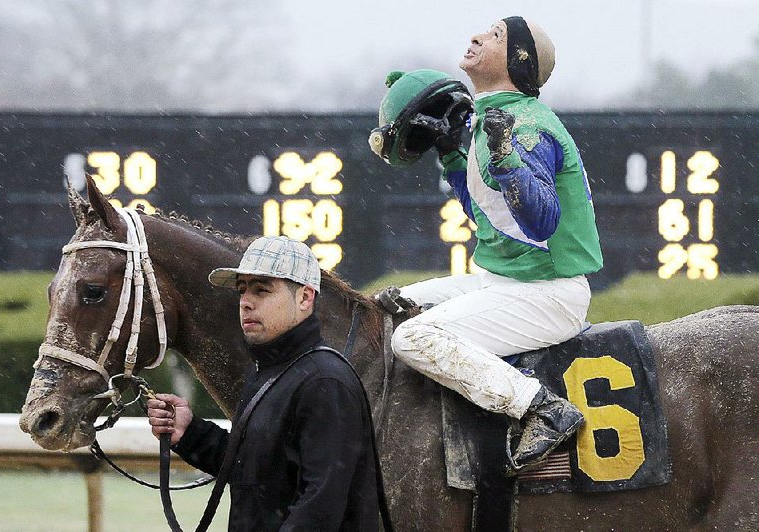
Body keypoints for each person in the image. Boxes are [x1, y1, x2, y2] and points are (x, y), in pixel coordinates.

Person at [370, 17, 603, 473]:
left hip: (549, 295)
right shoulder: (488, 121)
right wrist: (455, 160)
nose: (476, 36)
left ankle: (541, 409)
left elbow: (540, 223)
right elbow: (486, 216)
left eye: (495, 35)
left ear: (518, 60)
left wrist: (505, 156)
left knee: (412, 338)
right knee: (386, 306)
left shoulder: (526, 124)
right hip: (501, 284)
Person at [147, 235, 381, 531]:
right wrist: (190, 432)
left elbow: (320, 508)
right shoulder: (273, 371)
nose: (246, 302)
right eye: (242, 289)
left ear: (305, 298)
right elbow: (255, 469)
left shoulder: (325, 381)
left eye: (262, 290)